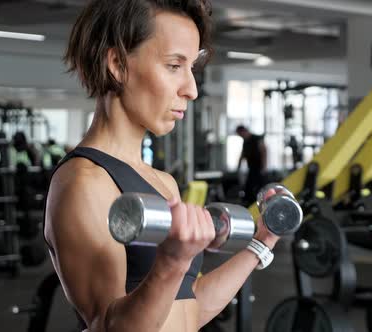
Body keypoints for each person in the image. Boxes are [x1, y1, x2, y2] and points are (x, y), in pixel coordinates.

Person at [43, 1, 281, 331]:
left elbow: (189, 308)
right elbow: (109, 326)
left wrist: (261, 243)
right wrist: (172, 261)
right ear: (117, 64)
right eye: (173, 66)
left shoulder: (163, 182)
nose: (192, 89)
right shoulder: (84, 182)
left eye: (192, 69)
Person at [236, 125, 267, 205]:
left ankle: (261, 201)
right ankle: (249, 202)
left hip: (259, 167)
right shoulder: (245, 141)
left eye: (240, 134)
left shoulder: (256, 139)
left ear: (244, 131)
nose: (241, 136)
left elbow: (263, 151)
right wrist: (238, 166)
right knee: (249, 187)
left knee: (260, 185)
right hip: (251, 167)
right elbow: (243, 154)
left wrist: (264, 166)